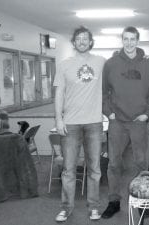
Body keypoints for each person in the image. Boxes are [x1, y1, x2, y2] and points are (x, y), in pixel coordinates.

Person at [102, 26, 149, 219]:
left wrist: (147, 114)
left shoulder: (148, 65)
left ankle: (142, 202)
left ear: (137, 40)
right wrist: (109, 113)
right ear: (122, 40)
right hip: (117, 123)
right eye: (126, 39)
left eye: (133, 39)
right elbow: (104, 93)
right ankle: (114, 201)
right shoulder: (110, 64)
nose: (129, 42)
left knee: (140, 163)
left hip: (138, 122)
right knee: (114, 164)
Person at [53, 26, 106, 222]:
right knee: (68, 169)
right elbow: (59, 93)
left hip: (94, 123)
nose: (82, 41)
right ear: (74, 42)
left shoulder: (101, 62)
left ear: (91, 42)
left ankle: (94, 207)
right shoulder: (64, 65)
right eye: (79, 38)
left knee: (94, 169)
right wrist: (58, 118)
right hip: (71, 124)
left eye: (86, 38)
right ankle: (66, 208)